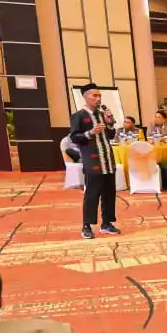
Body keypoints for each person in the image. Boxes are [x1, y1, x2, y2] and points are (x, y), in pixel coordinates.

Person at [69, 83, 120, 239]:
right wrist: (90, 133)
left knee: (109, 193)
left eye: (99, 96)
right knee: (92, 194)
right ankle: (87, 226)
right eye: (95, 96)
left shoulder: (101, 114)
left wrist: (110, 121)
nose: (98, 99)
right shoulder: (79, 116)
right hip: (93, 161)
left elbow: (110, 136)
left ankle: (106, 223)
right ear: (86, 97)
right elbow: (74, 137)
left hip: (108, 160)